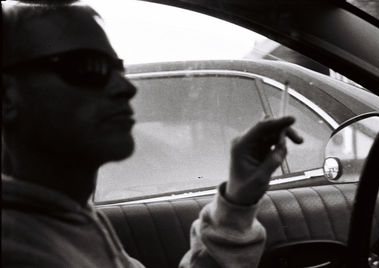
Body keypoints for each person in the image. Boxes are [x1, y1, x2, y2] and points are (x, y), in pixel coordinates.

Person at [1, 1, 303, 267]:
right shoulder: (20, 250)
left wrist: (238, 197)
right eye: (88, 67)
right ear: (6, 98)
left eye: (117, 68)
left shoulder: (71, 219)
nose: (127, 88)